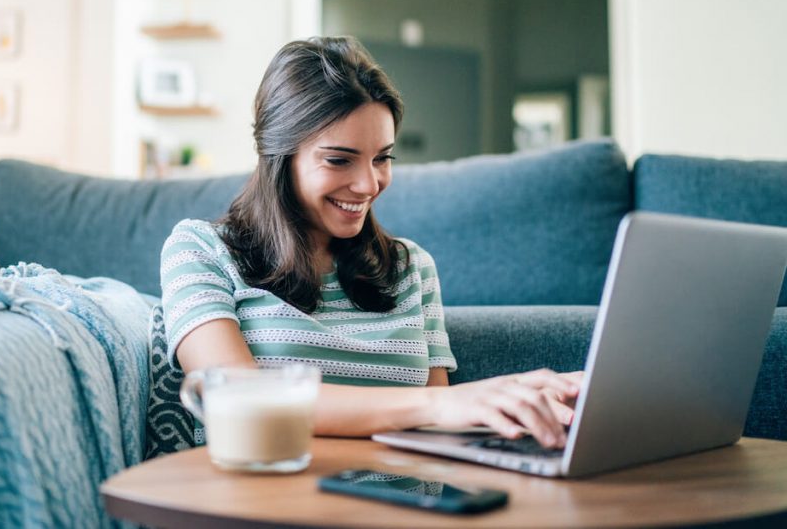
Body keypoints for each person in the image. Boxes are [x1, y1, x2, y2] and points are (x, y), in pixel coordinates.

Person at [160, 36, 581, 449]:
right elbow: (236, 400)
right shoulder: (200, 250)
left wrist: (518, 404)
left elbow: (439, 432)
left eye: (382, 157)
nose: (368, 184)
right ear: (278, 156)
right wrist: (440, 402)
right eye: (339, 160)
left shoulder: (411, 268)